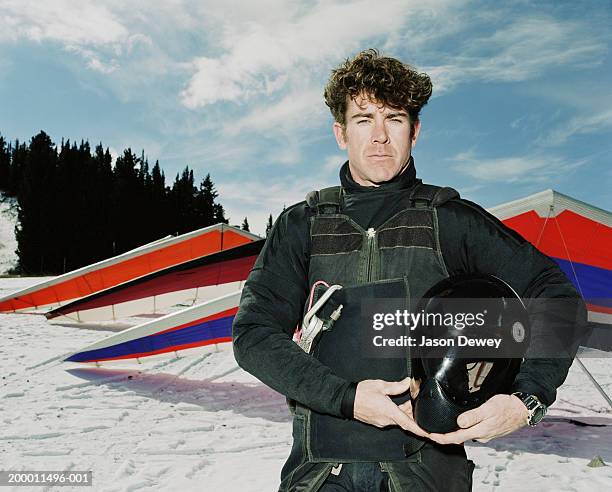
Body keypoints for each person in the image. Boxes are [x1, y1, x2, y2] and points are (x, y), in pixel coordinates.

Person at [232, 49, 587, 491]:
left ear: (415, 131)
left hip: (425, 474)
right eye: (364, 119)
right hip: (320, 475)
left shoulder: (452, 220)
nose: (379, 136)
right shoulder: (301, 225)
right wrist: (348, 399)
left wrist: (524, 400)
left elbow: (556, 300)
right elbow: (253, 335)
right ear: (340, 133)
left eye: (394, 119)